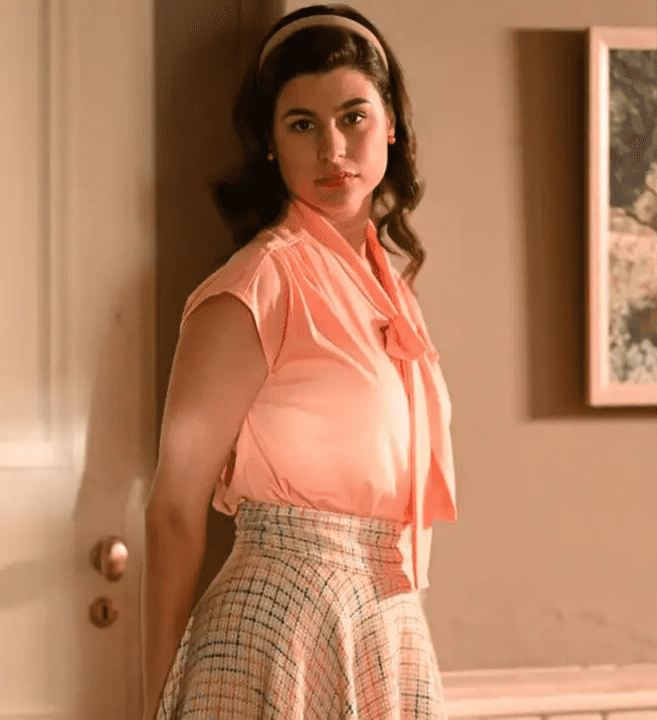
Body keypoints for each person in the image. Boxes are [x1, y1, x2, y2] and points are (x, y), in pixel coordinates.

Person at [141, 4, 458, 718]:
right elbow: (172, 512)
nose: (332, 150)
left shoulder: (391, 290)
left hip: (385, 621)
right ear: (270, 143)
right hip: (278, 624)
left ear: (390, 124)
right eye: (302, 124)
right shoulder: (256, 285)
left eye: (353, 117)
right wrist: (153, 707)